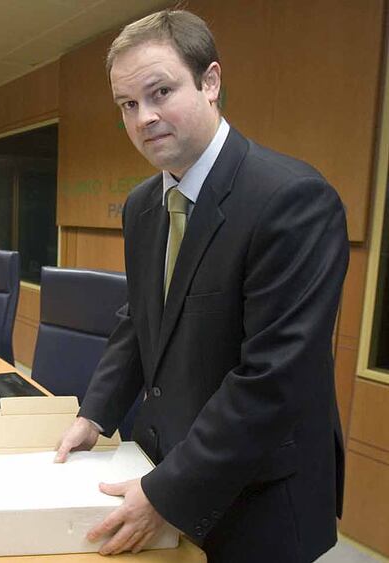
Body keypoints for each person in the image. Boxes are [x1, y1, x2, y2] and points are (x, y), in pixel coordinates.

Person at [55, 9, 349, 562]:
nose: (144, 118)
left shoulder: (292, 201)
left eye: (161, 91)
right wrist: (94, 414)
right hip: (166, 464)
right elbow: (139, 319)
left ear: (210, 82)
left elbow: (273, 377)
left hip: (259, 496)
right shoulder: (144, 205)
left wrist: (167, 493)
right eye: (128, 104)